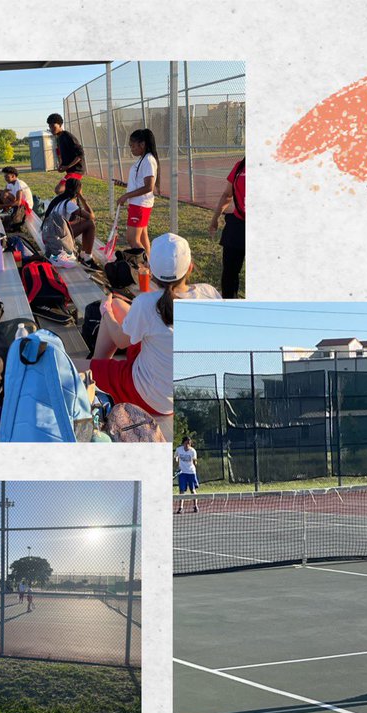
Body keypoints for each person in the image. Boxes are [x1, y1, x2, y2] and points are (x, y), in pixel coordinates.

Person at [91, 233, 220, 442]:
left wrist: (106, 311)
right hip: (175, 386)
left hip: (152, 397)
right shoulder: (209, 293)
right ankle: (100, 369)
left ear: (150, 272)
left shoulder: (147, 303)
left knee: (74, 367)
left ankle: (97, 374)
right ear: (190, 268)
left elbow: (122, 340)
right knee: (118, 304)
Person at [115, 129, 159, 255]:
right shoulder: (143, 159)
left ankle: (144, 269)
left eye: (132, 146)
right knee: (142, 237)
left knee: (132, 239)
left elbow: (149, 187)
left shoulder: (148, 160)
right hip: (139, 204)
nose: (131, 149)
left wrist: (126, 196)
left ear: (142, 144)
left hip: (140, 205)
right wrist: (124, 185)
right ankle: (150, 266)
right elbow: (140, 184)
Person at [208, 157, 245, 298]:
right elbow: (227, 195)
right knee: (229, 274)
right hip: (238, 224)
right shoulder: (240, 166)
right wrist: (215, 218)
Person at [41, 178, 96, 263]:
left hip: (48, 235)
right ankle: (87, 258)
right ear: (78, 190)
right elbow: (91, 216)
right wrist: (81, 197)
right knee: (90, 224)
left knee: (84, 222)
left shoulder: (58, 199)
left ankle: (83, 254)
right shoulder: (69, 203)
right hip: (57, 240)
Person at [46, 113, 86, 191]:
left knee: (59, 190)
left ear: (60, 125)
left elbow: (80, 154)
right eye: (50, 127)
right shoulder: (59, 138)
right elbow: (60, 153)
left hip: (77, 171)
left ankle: (74, 196)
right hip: (70, 170)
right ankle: (77, 199)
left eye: (53, 126)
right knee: (73, 192)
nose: (51, 129)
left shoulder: (68, 136)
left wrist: (67, 166)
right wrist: (61, 164)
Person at [175, 436, 200, 513]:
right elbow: (175, 457)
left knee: (192, 490)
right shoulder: (179, 450)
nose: (188, 444)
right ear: (184, 442)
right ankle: (180, 508)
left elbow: (195, 461)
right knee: (182, 491)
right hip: (182, 473)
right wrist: (176, 462)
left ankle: (195, 506)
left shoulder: (193, 451)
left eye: (189, 443)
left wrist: (194, 462)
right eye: (187, 442)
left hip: (191, 472)